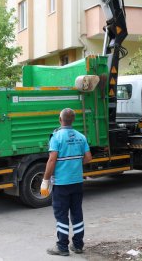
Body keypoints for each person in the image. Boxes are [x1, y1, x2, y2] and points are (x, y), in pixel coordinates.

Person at [41, 108, 92, 256]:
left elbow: (52, 160)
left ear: (60, 119)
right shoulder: (81, 137)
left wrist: (45, 180)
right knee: (77, 212)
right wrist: (75, 164)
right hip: (77, 182)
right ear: (73, 120)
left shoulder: (56, 137)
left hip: (62, 184)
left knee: (61, 214)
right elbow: (88, 158)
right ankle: (78, 245)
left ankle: (62, 247)